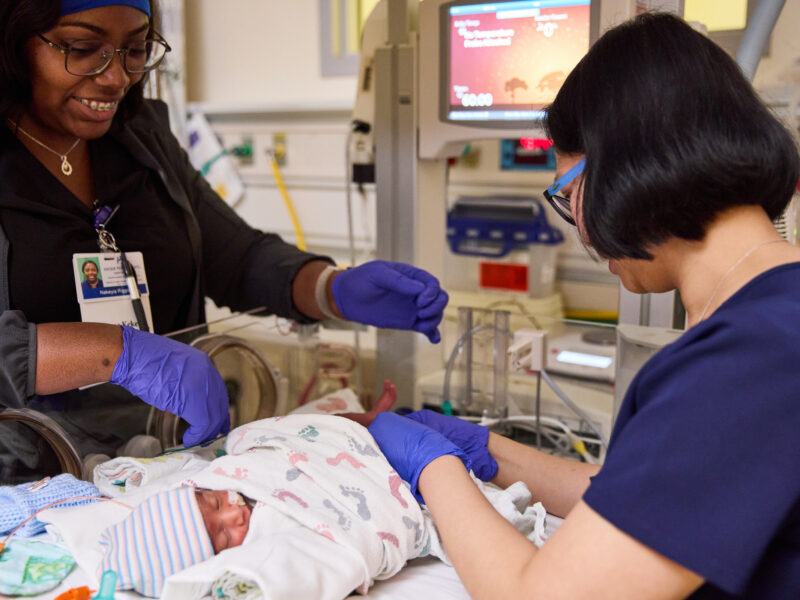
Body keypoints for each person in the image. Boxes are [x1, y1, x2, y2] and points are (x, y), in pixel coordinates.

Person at [365, 13, 800, 600]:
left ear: (625, 169)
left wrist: (433, 470)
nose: (582, 234)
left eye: (568, 195)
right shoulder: (773, 314)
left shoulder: (750, 356)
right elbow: (640, 496)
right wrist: (485, 452)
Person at [0, 0, 448, 481]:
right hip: (32, 482)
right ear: (14, 42)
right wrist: (119, 353)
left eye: (135, 49)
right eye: (84, 49)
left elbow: (234, 255)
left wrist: (330, 289)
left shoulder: (140, 138)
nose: (115, 78)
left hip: (163, 461)